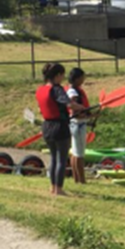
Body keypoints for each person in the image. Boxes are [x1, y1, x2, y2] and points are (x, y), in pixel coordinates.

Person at [36, 63, 85, 196]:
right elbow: (69, 104)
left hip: (46, 126)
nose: (63, 78)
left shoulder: (40, 90)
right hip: (59, 127)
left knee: (53, 158)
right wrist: (81, 107)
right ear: (57, 75)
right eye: (62, 75)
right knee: (61, 159)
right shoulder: (57, 89)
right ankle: (59, 189)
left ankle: (53, 187)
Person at [66, 68, 92, 184]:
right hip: (78, 124)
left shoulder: (74, 90)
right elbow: (74, 109)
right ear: (77, 79)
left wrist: (90, 114)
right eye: (82, 77)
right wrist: (85, 113)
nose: (83, 79)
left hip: (76, 124)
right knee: (79, 154)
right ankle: (82, 180)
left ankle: (77, 179)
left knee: (75, 153)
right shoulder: (73, 92)